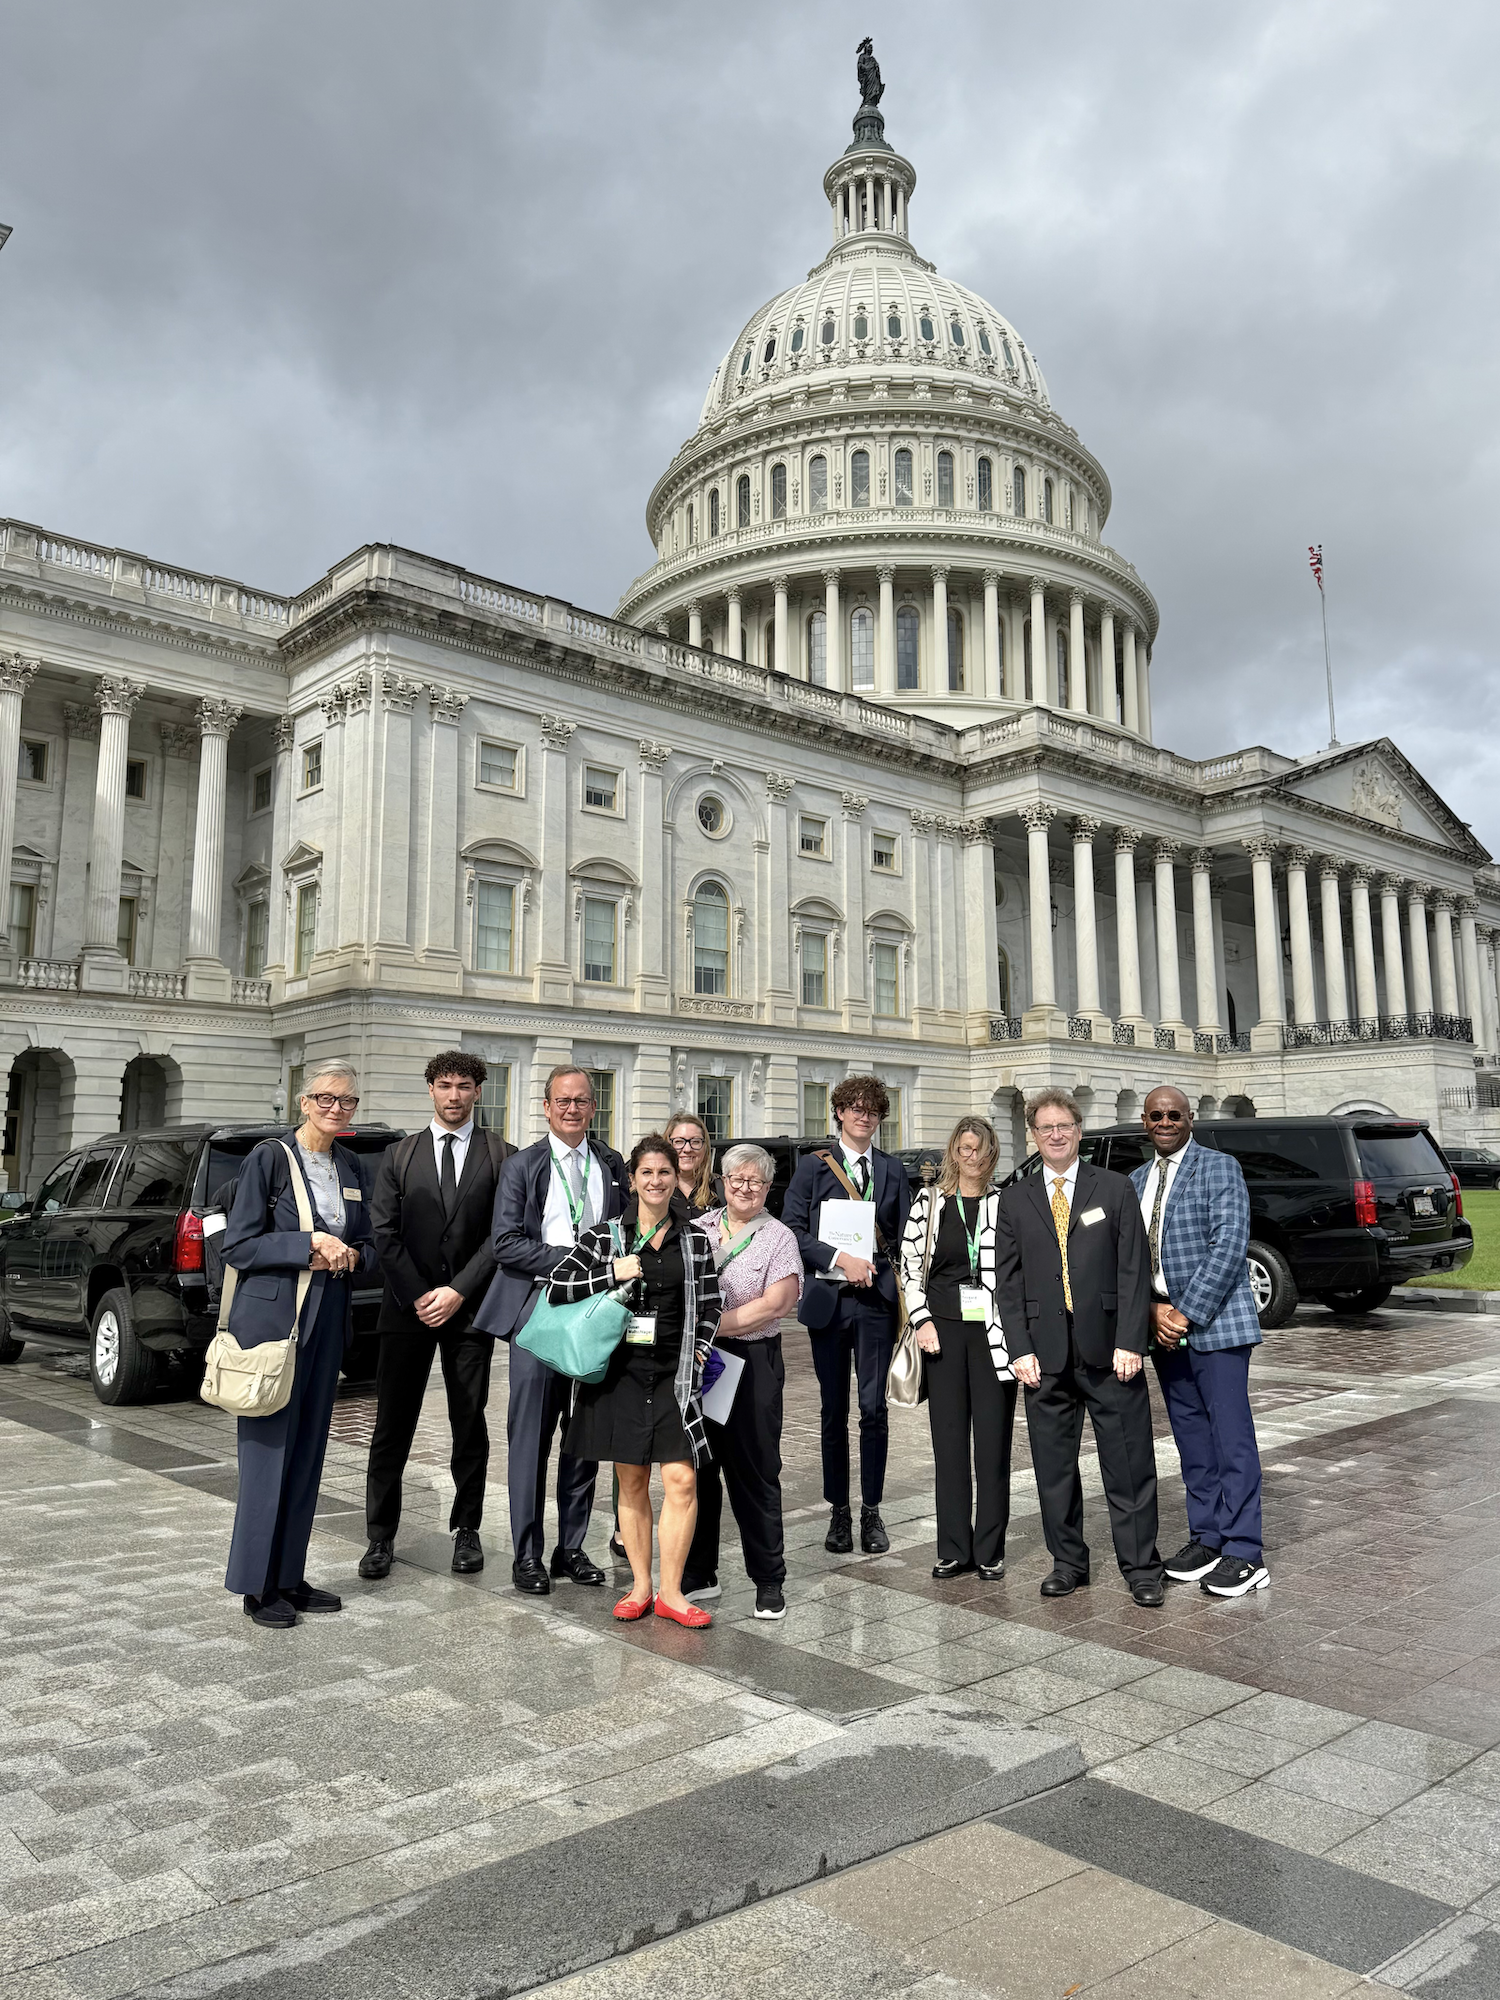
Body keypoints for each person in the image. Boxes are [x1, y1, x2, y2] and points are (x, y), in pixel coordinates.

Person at [993, 1087, 1165, 1608]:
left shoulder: (1112, 1189)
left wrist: (1132, 1340)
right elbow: (1008, 1280)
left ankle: (1141, 1567)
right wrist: (1018, 1348)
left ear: (1078, 1129)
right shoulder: (1015, 1198)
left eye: (1064, 1125)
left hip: (1111, 1352)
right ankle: (1068, 1562)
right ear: (1033, 1135)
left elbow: (1135, 1271)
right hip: (1043, 1356)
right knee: (1053, 1468)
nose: (1056, 1135)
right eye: (1045, 1128)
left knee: (1129, 1463)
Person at [222, 1063, 378, 1628]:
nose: (337, 1108)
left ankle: (289, 1574)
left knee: (309, 1454)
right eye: (326, 1098)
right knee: (267, 1457)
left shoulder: (352, 1165)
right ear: (304, 1101)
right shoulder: (270, 1158)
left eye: (348, 1101)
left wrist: (352, 1254)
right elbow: (238, 1246)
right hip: (275, 1322)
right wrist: (306, 1244)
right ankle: (255, 1585)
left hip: (329, 1320)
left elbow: (367, 1244)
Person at [548, 1135, 722, 1627]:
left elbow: (712, 1304)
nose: (655, 1181)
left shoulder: (693, 1238)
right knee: (631, 1479)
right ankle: (641, 1587)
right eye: (646, 1172)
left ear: (674, 1179)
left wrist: (702, 1349)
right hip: (619, 1374)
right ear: (632, 1179)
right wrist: (610, 1272)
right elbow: (558, 1287)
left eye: (664, 1173)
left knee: (682, 1479)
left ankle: (672, 1592)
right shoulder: (605, 1236)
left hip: (674, 1373)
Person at [359, 1052, 515, 1583]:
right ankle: (380, 1536)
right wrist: (423, 1294)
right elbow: (383, 1232)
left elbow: (503, 1234)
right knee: (391, 1426)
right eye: (445, 1085)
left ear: (478, 1091)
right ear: (430, 1090)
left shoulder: (501, 1156)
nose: (454, 1095)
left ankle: (467, 1528)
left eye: (464, 1086)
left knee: (468, 1424)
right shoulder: (399, 1154)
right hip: (406, 1310)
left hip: (468, 1311)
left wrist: (456, 1291)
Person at [474, 1065, 627, 1595]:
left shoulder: (611, 1165)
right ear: (546, 1106)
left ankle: (571, 1547)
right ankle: (526, 1554)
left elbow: (624, 1232)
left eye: (582, 1101)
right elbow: (506, 1243)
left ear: (593, 1107)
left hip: (593, 1313)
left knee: (583, 1435)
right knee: (531, 1437)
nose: (572, 1109)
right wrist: (577, 1259)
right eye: (562, 1101)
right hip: (538, 1311)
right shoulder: (522, 1166)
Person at [1132, 1086, 1269, 1598]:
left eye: (1174, 1114)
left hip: (1216, 1325)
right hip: (1164, 1327)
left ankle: (1244, 1550)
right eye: (1156, 1115)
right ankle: (1207, 1536)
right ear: (1144, 1122)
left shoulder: (1219, 1167)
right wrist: (1152, 1310)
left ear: (1190, 1118)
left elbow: (1230, 1245)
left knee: (1230, 1438)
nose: (1165, 1121)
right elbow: (1134, 1259)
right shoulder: (1138, 1180)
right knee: (1191, 1439)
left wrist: (1185, 1313)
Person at [781, 1075, 912, 1556]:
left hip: (875, 1305)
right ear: (839, 1113)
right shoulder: (812, 1168)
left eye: (873, 1110)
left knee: (874, 1410)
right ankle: (839, 1511)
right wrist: (839, 1258)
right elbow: (792, 1230)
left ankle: (872, 1510)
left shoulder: (892, 1170)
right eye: (855, 1108)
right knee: (833, 1411)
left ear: (880, 1118)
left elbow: (900, 1236)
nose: (864, 1116)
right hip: (831, 1305)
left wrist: (879, 1261)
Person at [681, 1143, 803, 1619]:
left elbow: (776, 1304)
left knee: (754, 1471)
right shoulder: (698, 1229)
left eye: (756, 1181)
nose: (746, 1188)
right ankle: (699, 1570)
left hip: (752, 1361)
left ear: (769, 1187)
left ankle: (769, 1579)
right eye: (737, 1180)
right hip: (701, 1359)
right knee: (698, 1466)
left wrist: (711, 1324)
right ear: (722, 1183)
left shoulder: (779, 1238)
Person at [900, 1118, 1015, 1582]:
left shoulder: (1007, 1203)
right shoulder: (928, 1204)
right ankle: (952, 1547)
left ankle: (990, 1549)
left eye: (981, 1150)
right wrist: (921, 1320)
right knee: (948, 1446)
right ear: (954, 1151)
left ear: (992, 1155)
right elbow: (909, 1269)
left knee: (992, 1446)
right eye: (965, 1148)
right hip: (942, 1334)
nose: (972, 1157)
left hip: (993, 1336)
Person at [665, 1111, 716, 1211]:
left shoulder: (721, 1191)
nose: (687, 1149)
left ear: (705, 1147)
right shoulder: (654, 1191)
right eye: (679, 1142)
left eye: (695, 1142)